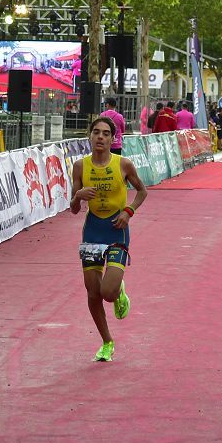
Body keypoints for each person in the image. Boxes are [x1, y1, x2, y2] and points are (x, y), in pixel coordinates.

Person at [70, 117, 148, 362]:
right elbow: (73, 208)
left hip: (116, 229)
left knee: (108, 292)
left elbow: (142, 191)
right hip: (93, 230)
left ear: (113, 138)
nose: (100, 137)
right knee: (93, 293)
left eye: (105, 133)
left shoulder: (123, 164)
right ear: (89, 136)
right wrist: (78, 196)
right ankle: (107, 342)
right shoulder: (80, 167)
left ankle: (118, 291)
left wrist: (128, 212)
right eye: (96, 132)